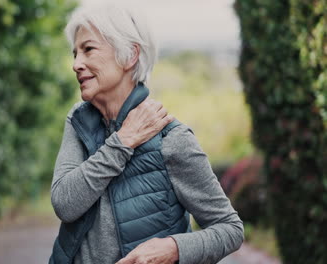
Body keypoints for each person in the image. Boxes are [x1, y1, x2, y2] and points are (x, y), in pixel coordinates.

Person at [49, 4, 244, 264]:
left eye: (88, 49)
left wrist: (174, 248)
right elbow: (65, 204)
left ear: (130, 55)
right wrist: (122, 143)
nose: (76, 64)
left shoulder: (172, 140)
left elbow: (230, 229)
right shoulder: (79, 122)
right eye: (75, 53)